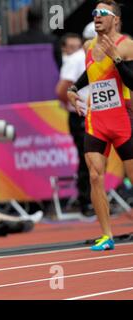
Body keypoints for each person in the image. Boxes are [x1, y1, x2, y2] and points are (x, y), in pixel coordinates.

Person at [67, 0, 133, 251]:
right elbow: (90, 74)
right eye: (94, 13)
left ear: (115, 19)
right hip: (97, 121)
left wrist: (117, 60)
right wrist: (74, 90)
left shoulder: (126, 45)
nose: (96, 17)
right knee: (95, 176)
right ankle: (106, 235)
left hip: (122, 120)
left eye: (102, 13)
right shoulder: (88, 46)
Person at [55, 32, 93, 216]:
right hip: (82, 117)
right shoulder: (76, 59)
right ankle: (86, 201)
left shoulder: (104, 56)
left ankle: (92, 199)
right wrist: (75, 107)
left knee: (97, 159)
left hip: (99, 115)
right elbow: (62, 90)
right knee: (88, 159)